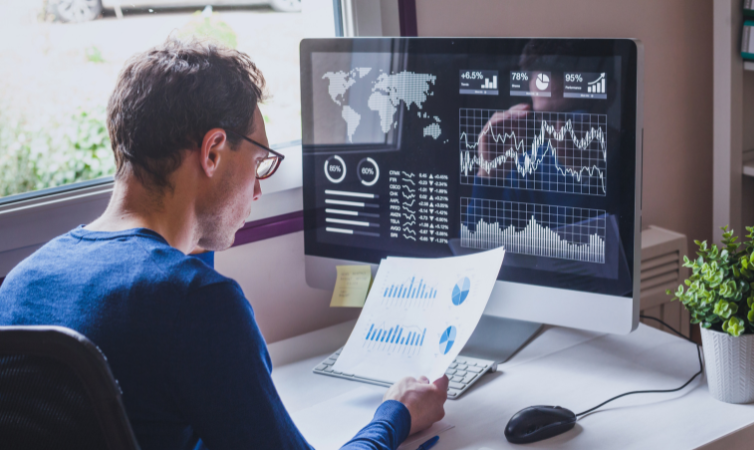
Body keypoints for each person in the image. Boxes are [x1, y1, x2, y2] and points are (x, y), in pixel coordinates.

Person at [0, 39, 447, 450]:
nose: (257, 191)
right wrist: (396, 415)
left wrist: (192, 234)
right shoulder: (195, 304)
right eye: (260, 162)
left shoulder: (20, 285)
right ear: (212, 151)